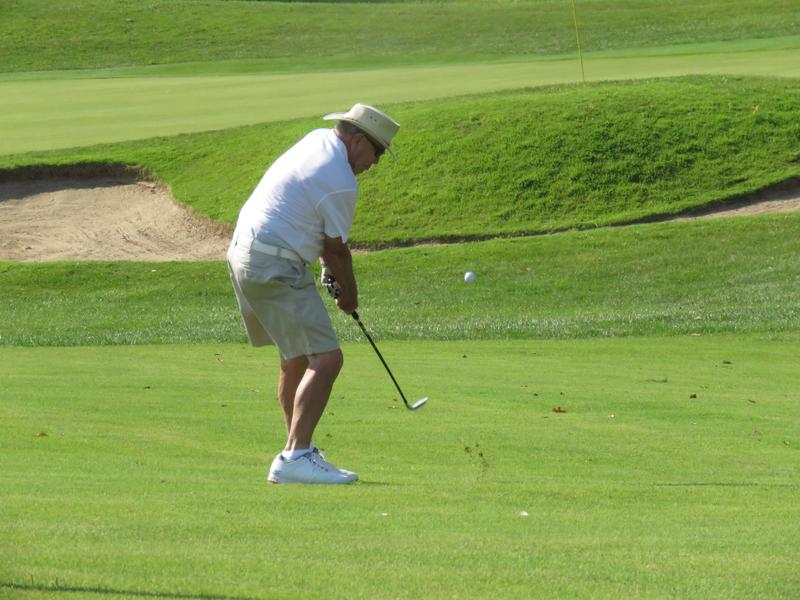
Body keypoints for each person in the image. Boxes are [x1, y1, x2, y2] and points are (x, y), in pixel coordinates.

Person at [226, 103, 400, 484]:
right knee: (327, 358)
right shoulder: (340, 178)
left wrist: (325, 268)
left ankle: (296, 450)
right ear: (358, 141)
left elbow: (312, 225)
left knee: (296, 358)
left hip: (245, 253)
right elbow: (337, 250)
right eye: (377, 152)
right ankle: (296, 456)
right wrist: (348, 296)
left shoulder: (316, 141)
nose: (376, 163)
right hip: (273, 261)